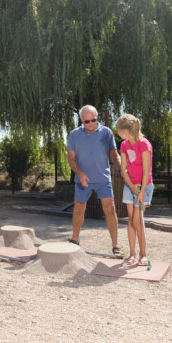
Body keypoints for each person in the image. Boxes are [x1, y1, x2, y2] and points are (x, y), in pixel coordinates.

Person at [66, 105, 122, 257]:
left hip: (103, 179)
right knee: (78, 208)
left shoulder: (106, 133)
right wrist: (79, 172)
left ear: (97, 118)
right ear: (81, 120)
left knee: (110, 208)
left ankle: (115, 246)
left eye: (93, 120)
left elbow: (113, 154)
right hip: (82, 179)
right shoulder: (74, 134)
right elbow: (70, 158)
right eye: (86, 121)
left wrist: (120, 166)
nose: (90, 124)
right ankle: (75, 240)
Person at [115, 114, 153, 267]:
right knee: (131, 220)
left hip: (144, 186)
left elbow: (146, 171)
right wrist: (131, 187)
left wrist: (141, 191)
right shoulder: (124, 145)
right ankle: (132, 254)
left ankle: (143, 255)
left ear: (125, 130)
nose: (118, 133)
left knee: (137, 221)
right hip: (130, 185)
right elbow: (123, 170)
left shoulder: (144, 144)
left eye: (119, 130)